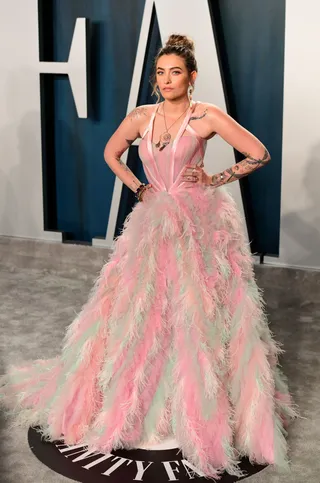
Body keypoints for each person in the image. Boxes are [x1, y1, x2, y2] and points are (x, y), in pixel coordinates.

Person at [0, 34, 299, 480]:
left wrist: (215, 177)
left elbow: (260, 153)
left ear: (192, 77)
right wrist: (138, 187)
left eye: (175, 72)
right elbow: (111, 153)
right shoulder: (141, 116)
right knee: (141, 309)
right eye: (160, 73)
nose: (166, 80)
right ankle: (139, 400)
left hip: (196, 223)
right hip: (152, 221)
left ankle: (195, 404)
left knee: (196, 310)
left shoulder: (206, 116)